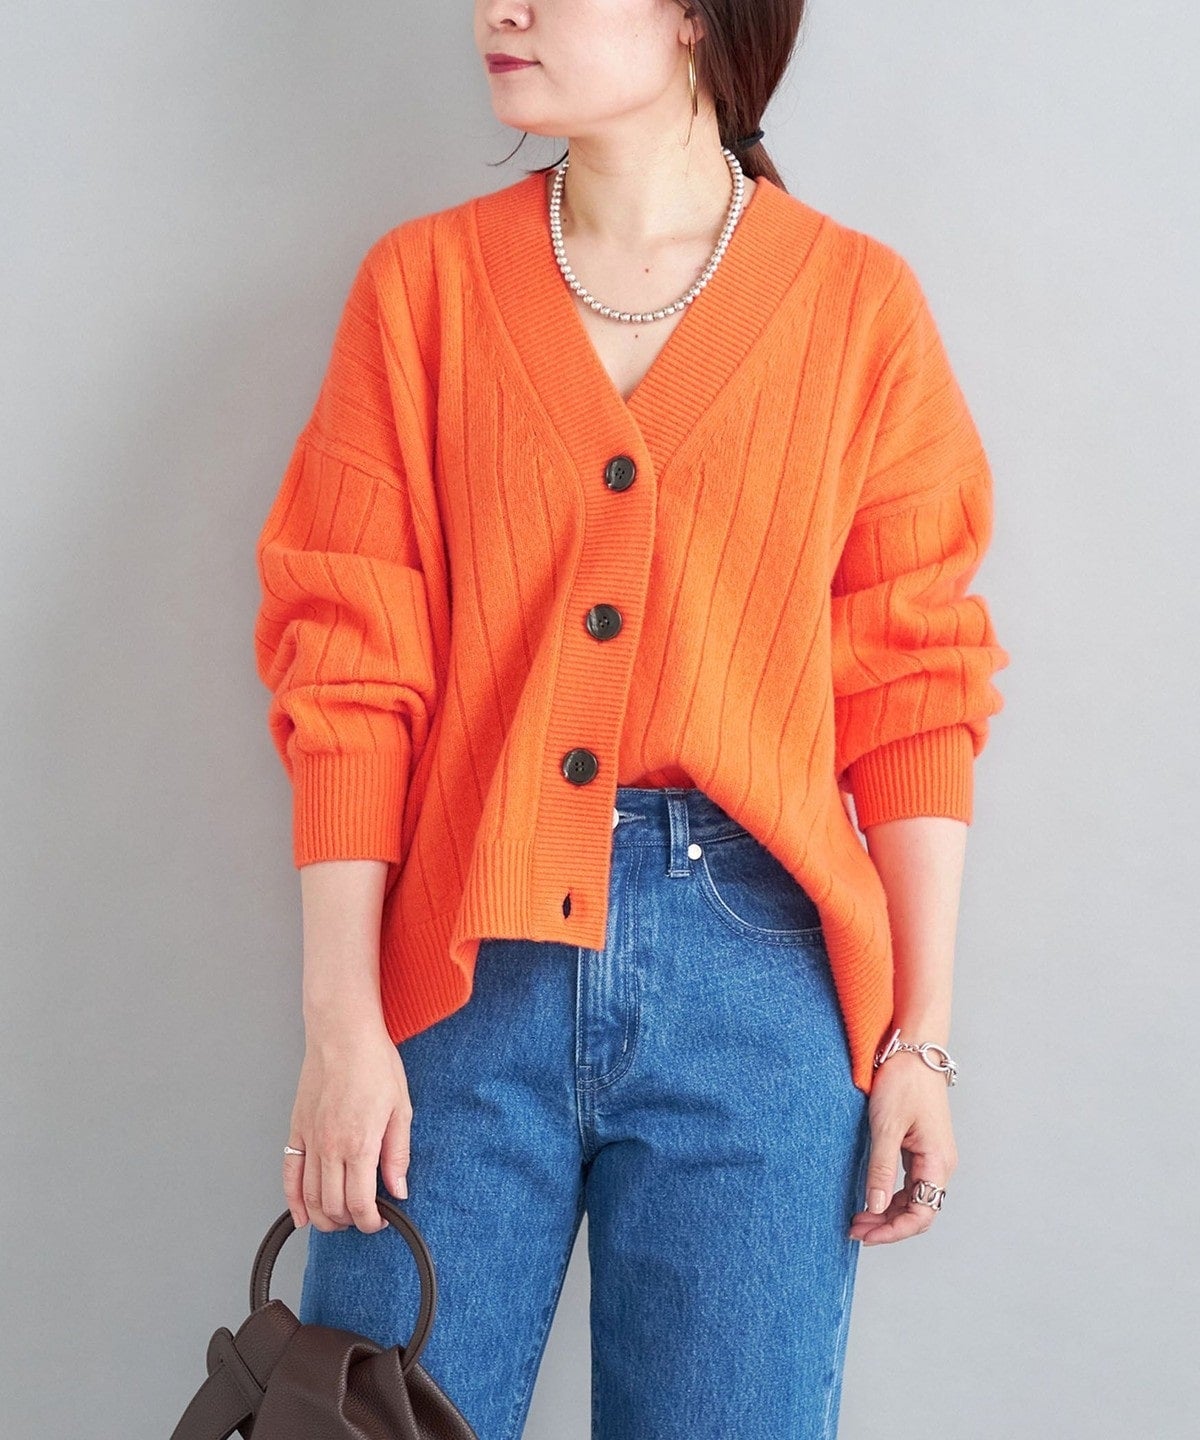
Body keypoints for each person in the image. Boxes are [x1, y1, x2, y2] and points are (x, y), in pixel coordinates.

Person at [251, 3, 1010, 1436]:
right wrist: (340, 1024)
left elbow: (912, 691)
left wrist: (921, 1039)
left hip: (758, 987)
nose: (500, 8)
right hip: (460, 979)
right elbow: (346, 676)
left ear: (692, 15)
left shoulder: (858, 308)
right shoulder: (423, 291)